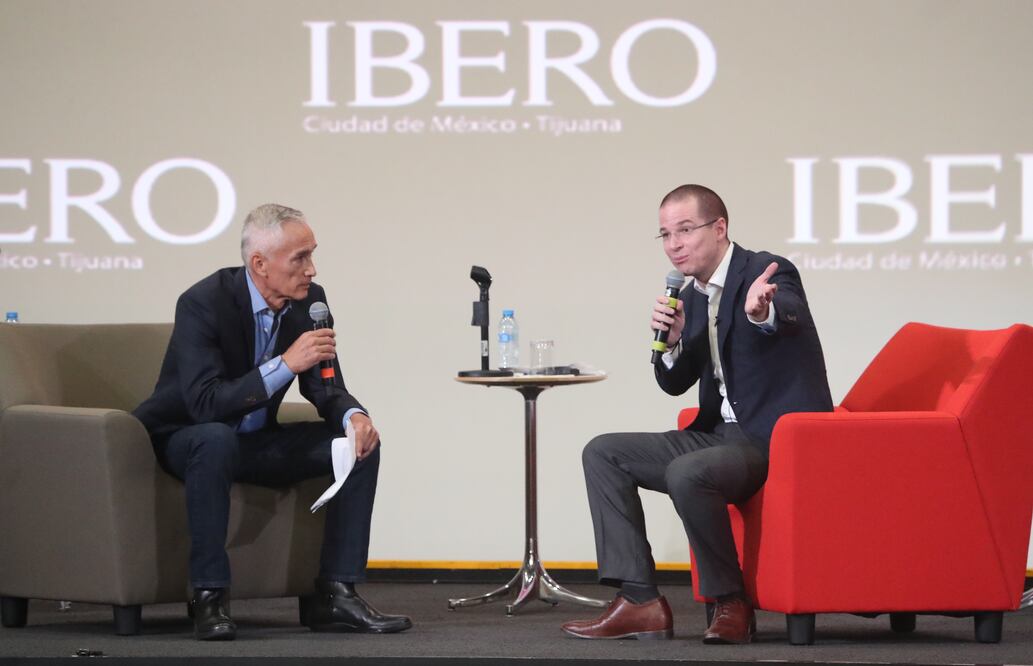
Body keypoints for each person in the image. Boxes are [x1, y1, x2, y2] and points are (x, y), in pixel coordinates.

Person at [561, 184, 832, 644]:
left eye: (685, 230)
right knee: (603, 452)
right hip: (717, 436)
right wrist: (673, 343)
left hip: (771, 439)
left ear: (720, 228)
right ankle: (640, 600)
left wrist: (761, 311)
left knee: (689, 472)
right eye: (665, 234)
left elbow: (788, 310)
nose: (674, 244)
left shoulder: (766, 270)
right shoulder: (691, 296)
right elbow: (673, 384)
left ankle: (731, 601)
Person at [134, 203, 412, 641]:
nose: (312, 270)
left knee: (358, 446)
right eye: (299, 259)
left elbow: (325, 386)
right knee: (214, 439)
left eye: (312, 255)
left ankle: (335, 595)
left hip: (255, 442)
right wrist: (285, 364)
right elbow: (206, 403)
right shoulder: (203, 302)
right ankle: (209, 596)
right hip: (185, 439)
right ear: (259, 264)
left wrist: (355, 416)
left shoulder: (311, 303)